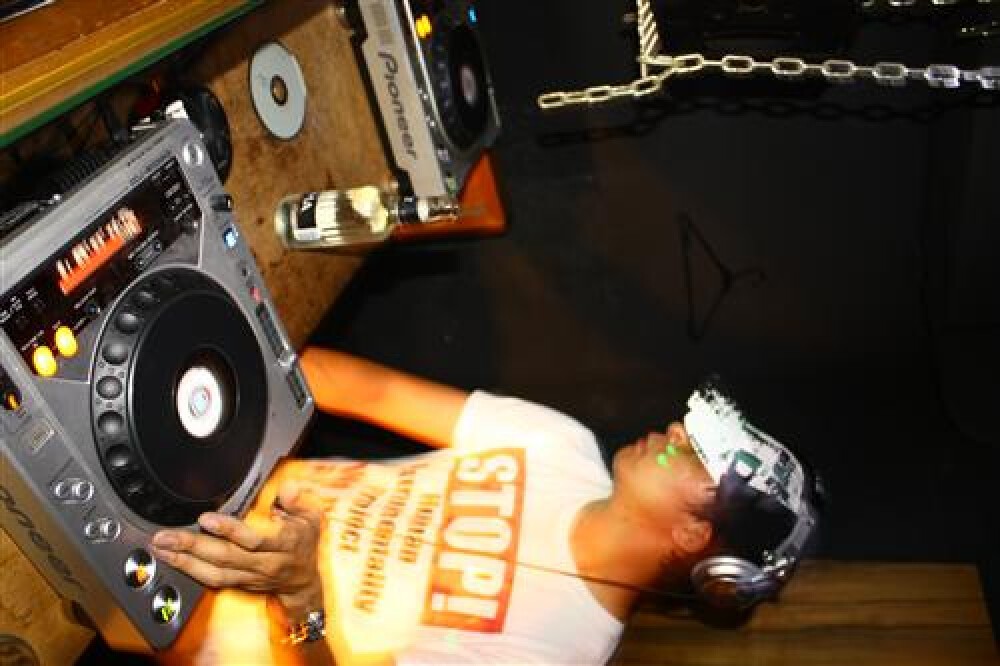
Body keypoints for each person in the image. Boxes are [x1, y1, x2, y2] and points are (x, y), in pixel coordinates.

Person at [151, 348, 820, 666]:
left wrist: (299, 594)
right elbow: (368, 390)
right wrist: (231, 351)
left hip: (175, 602)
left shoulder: (555, 651)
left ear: (693, 535)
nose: (676, 431)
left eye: (697, 456)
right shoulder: (565, 445)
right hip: (197, 464)